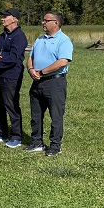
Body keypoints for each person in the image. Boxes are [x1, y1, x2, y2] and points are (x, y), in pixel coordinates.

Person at [26, 11, 73, 157]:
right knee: (36, 115)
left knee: (56, 116)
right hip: (37, 82)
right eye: (43, 20)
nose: (43, 23)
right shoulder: (40, 39)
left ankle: (55, 146)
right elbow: (31, 57)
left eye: (46, 20)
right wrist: (31, 69)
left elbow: (62, 62)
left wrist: (42, 72)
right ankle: (36, 142)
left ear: (56, 23)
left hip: (55, 82)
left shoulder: (64, 40)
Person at [0, 8, 28, 148]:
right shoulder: (2, 35)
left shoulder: (19, 36)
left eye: (5, 16)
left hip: (11, 76)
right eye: (2, 16)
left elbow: (14, 58)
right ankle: (1, 132)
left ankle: (16, 136)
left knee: (11, 104)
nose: (2, 19)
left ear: (14, 19)